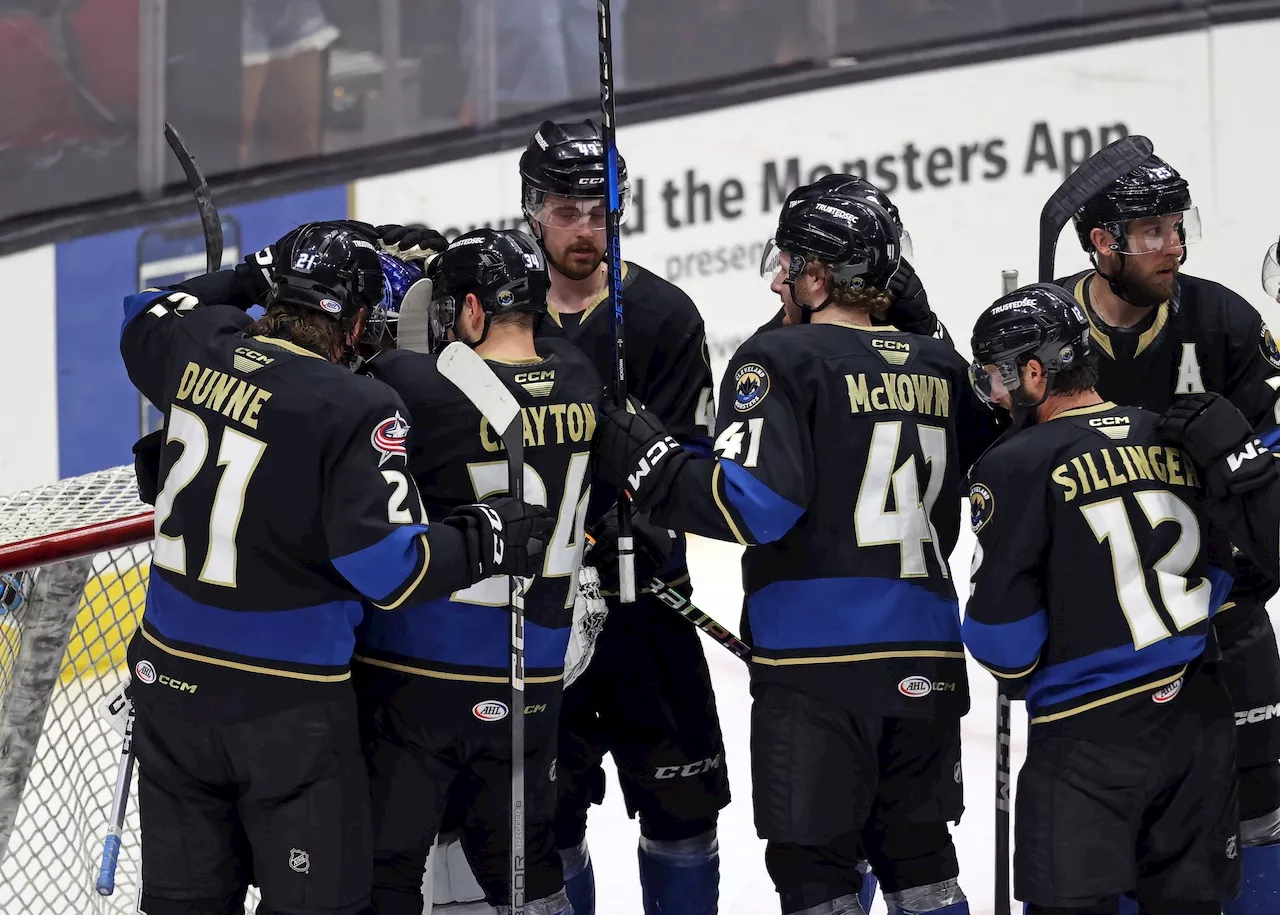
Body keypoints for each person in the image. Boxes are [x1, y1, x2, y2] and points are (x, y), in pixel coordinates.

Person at [118, 222, 552, 915]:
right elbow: (390, 571)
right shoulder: (358, 406)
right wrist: (484, 535)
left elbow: (143, 309)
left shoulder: (199, 347)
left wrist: (255, 270)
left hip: (168, 693)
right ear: (354, 324)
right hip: (283, 712)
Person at [592, 190, 999, 915]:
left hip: (819, 672)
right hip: (929, 663)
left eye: (788, 265)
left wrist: (650, 463)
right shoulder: (940, 364)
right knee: (924, 866)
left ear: (817, 276)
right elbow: (993, 453)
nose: (778, 281)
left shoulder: (779, 356)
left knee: (817, 877)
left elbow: (758, 505)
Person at [963, 283, 1242, 915]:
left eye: (995, 379)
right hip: (1198, 719)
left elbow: (1003, 643)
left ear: (1033, 371)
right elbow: (1227, 577)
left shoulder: (1013, 462)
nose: (995, 397)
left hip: (1087, 739)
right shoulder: (1169, 433)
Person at [351, 229, 603, 915]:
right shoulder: (580, 374)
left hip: (420, 673)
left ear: (468, 310)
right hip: (537, 675)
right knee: (525, 865)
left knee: (388, 867)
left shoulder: (408, 385)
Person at [1057, 149, 1280, 914]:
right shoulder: (1047, 333)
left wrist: (1244, 461)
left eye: (1176, 227)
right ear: (1101, 243)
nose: (1173, 246)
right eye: (1149, 231)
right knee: (1110, 836)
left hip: (1225, 622)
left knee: (1262, 814)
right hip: (1101, 647)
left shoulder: (1224, 321)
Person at [520, 118, 727, 915]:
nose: (586, 227)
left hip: (648, 607)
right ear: (533, 209)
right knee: (548, 825)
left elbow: (682, 465)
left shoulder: (664, 316)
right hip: (540, 612)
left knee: (683, 818)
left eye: (600, 208)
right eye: (568, 210)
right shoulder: (504, 318)